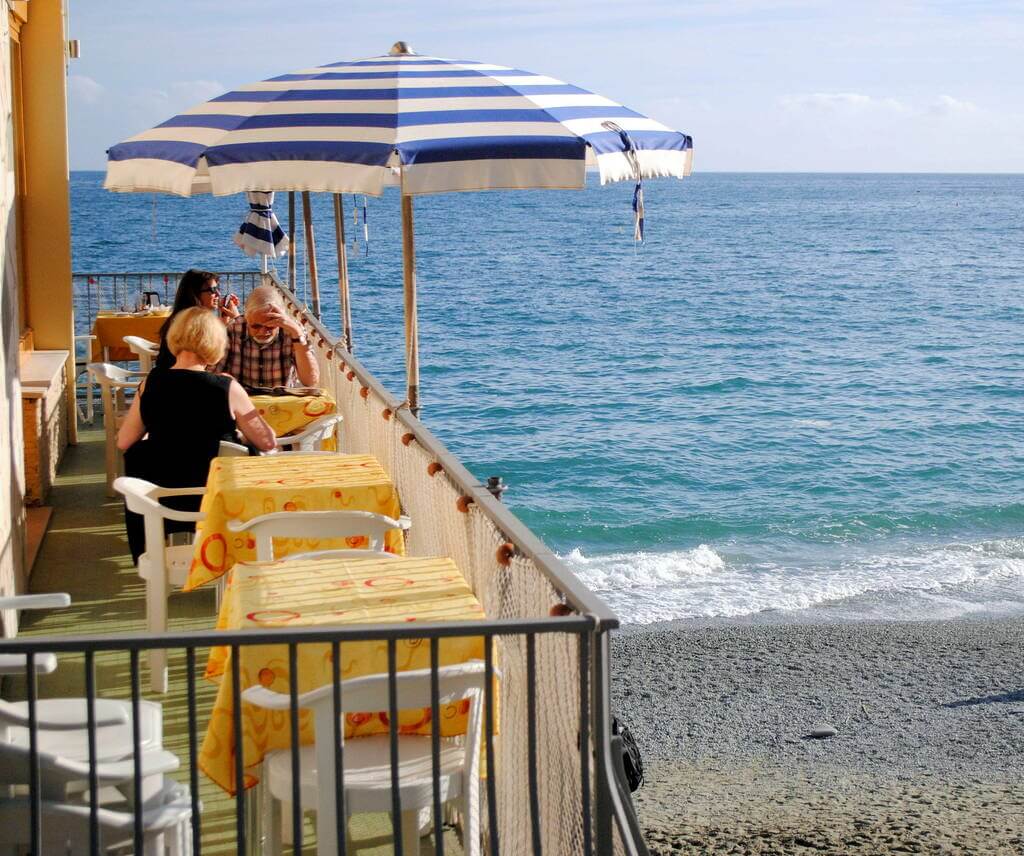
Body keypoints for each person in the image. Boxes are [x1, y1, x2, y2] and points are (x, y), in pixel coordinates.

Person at [117, 307, 276, 562]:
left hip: (163, 500)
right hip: (219, 502)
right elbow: (267, 441)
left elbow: (124, 441)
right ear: (216, 345)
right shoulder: (226, 387)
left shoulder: (150, 384)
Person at [216, 285, 319, 389]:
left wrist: (297, 334)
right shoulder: (234, 328)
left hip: (279, 401)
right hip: (242, 400)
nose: (263, 332)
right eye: (256, 326)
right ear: (246, 319)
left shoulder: (293, 331)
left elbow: (310, 381)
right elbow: (214, 372)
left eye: (270, 326)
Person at [153, 269, 240, 371]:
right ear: (195, 294)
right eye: (212, 290)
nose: (218, 293)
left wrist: (224, 319)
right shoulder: (192, 325)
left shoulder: (181, 319)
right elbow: (209, 361)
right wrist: (237, 318)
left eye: (217, 288)